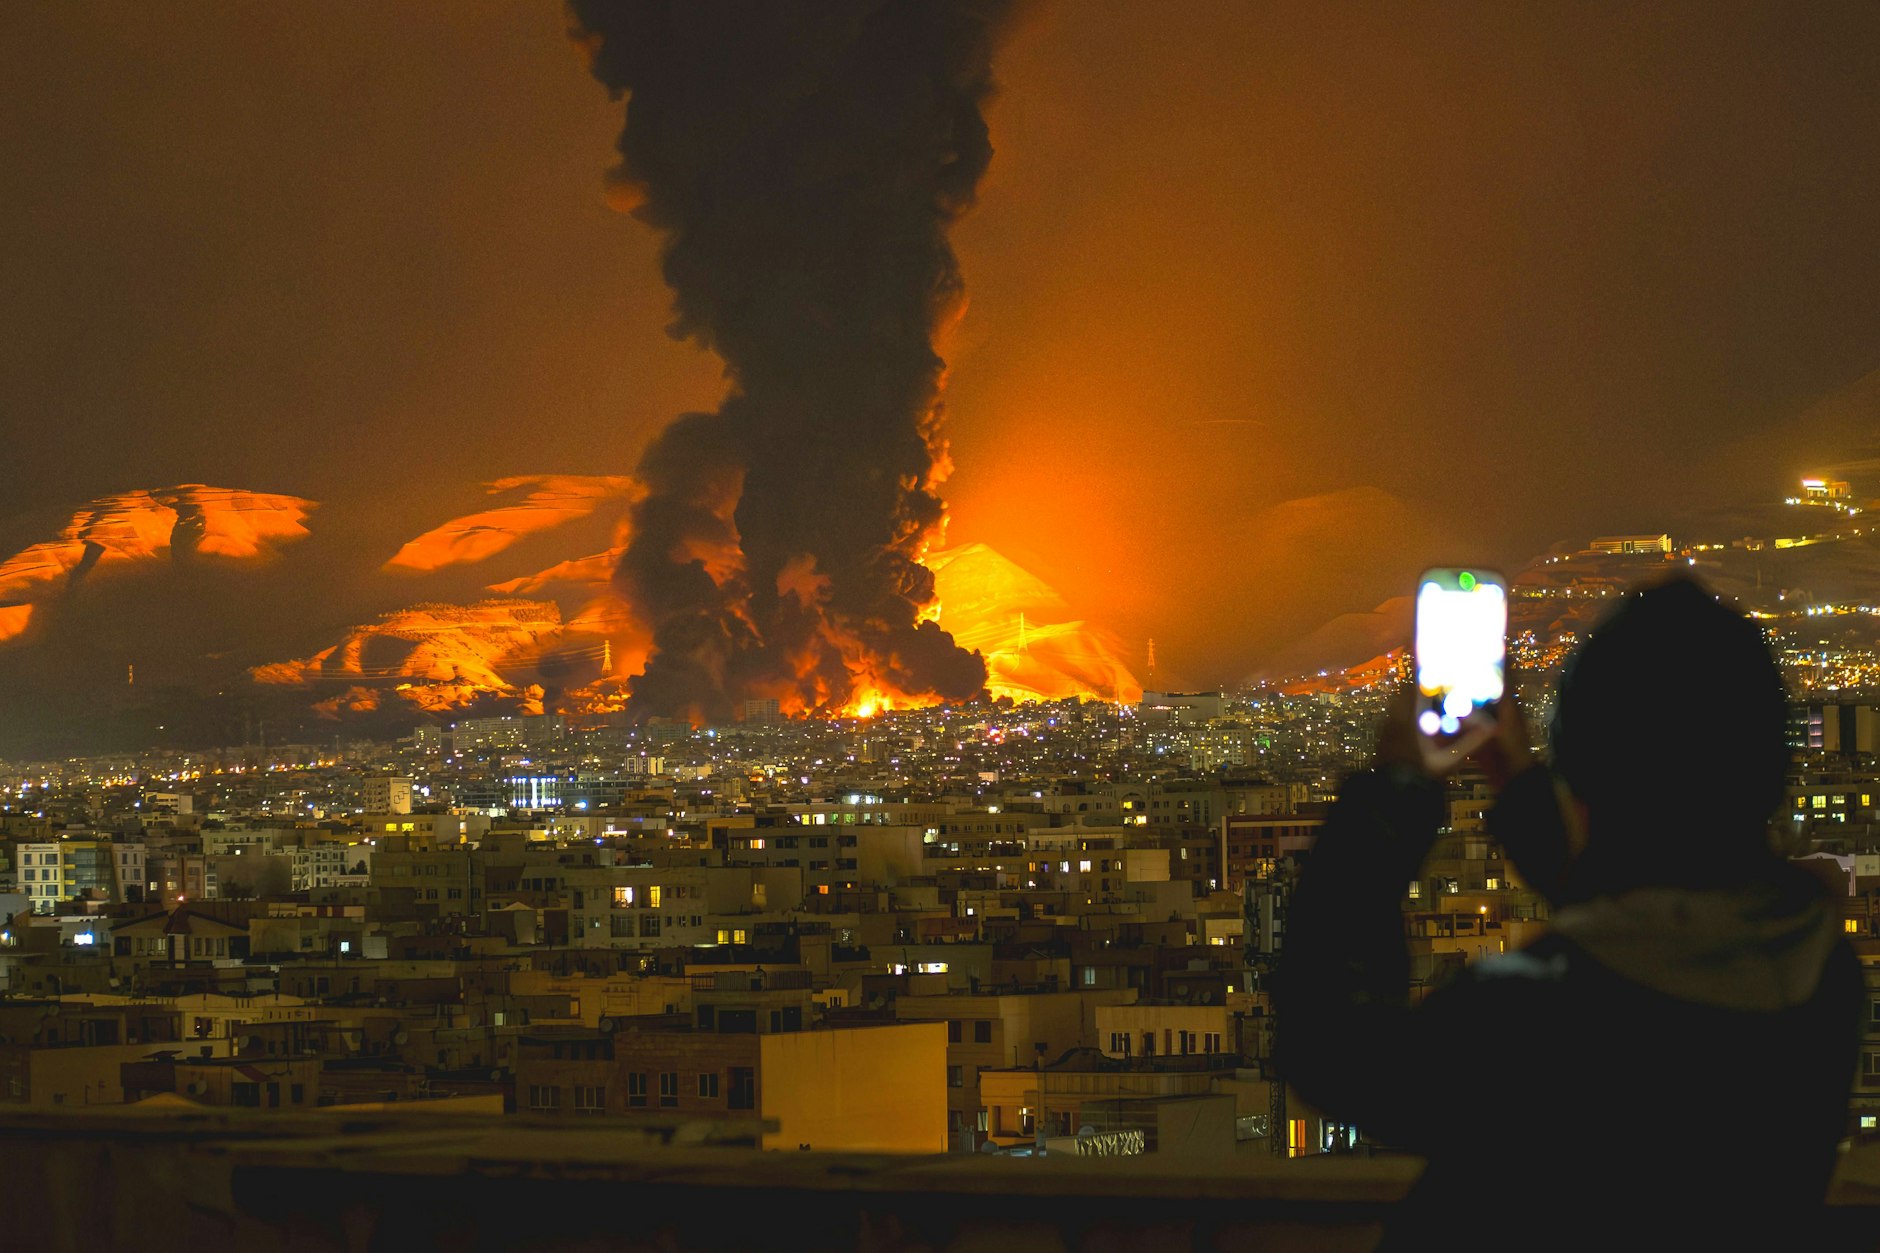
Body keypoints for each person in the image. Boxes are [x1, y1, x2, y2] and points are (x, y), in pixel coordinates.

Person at [1274, 577, 1862, 1248]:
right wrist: (1519, 781)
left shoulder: (1529, 1015)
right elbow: (1653, 924)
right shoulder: (1820, 983)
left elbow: (1328, 1046)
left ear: (1586, 787)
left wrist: (1396, 794)